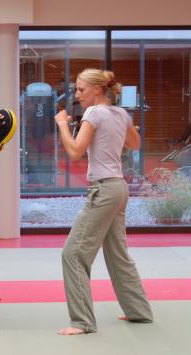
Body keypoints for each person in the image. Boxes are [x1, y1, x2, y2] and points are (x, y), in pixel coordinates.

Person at [54, 68, 153, 335]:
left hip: (103, 190)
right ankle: (139, 311)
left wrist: (63, 125)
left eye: (81, 89)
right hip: (119, 189)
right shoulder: (121, 114)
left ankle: (82, 322)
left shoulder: (94, 113)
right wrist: (122, 129)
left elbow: (75, 151)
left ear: (97, 90)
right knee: (118, 255)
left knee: (72, 255)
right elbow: (135, 144)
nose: (77, 95)